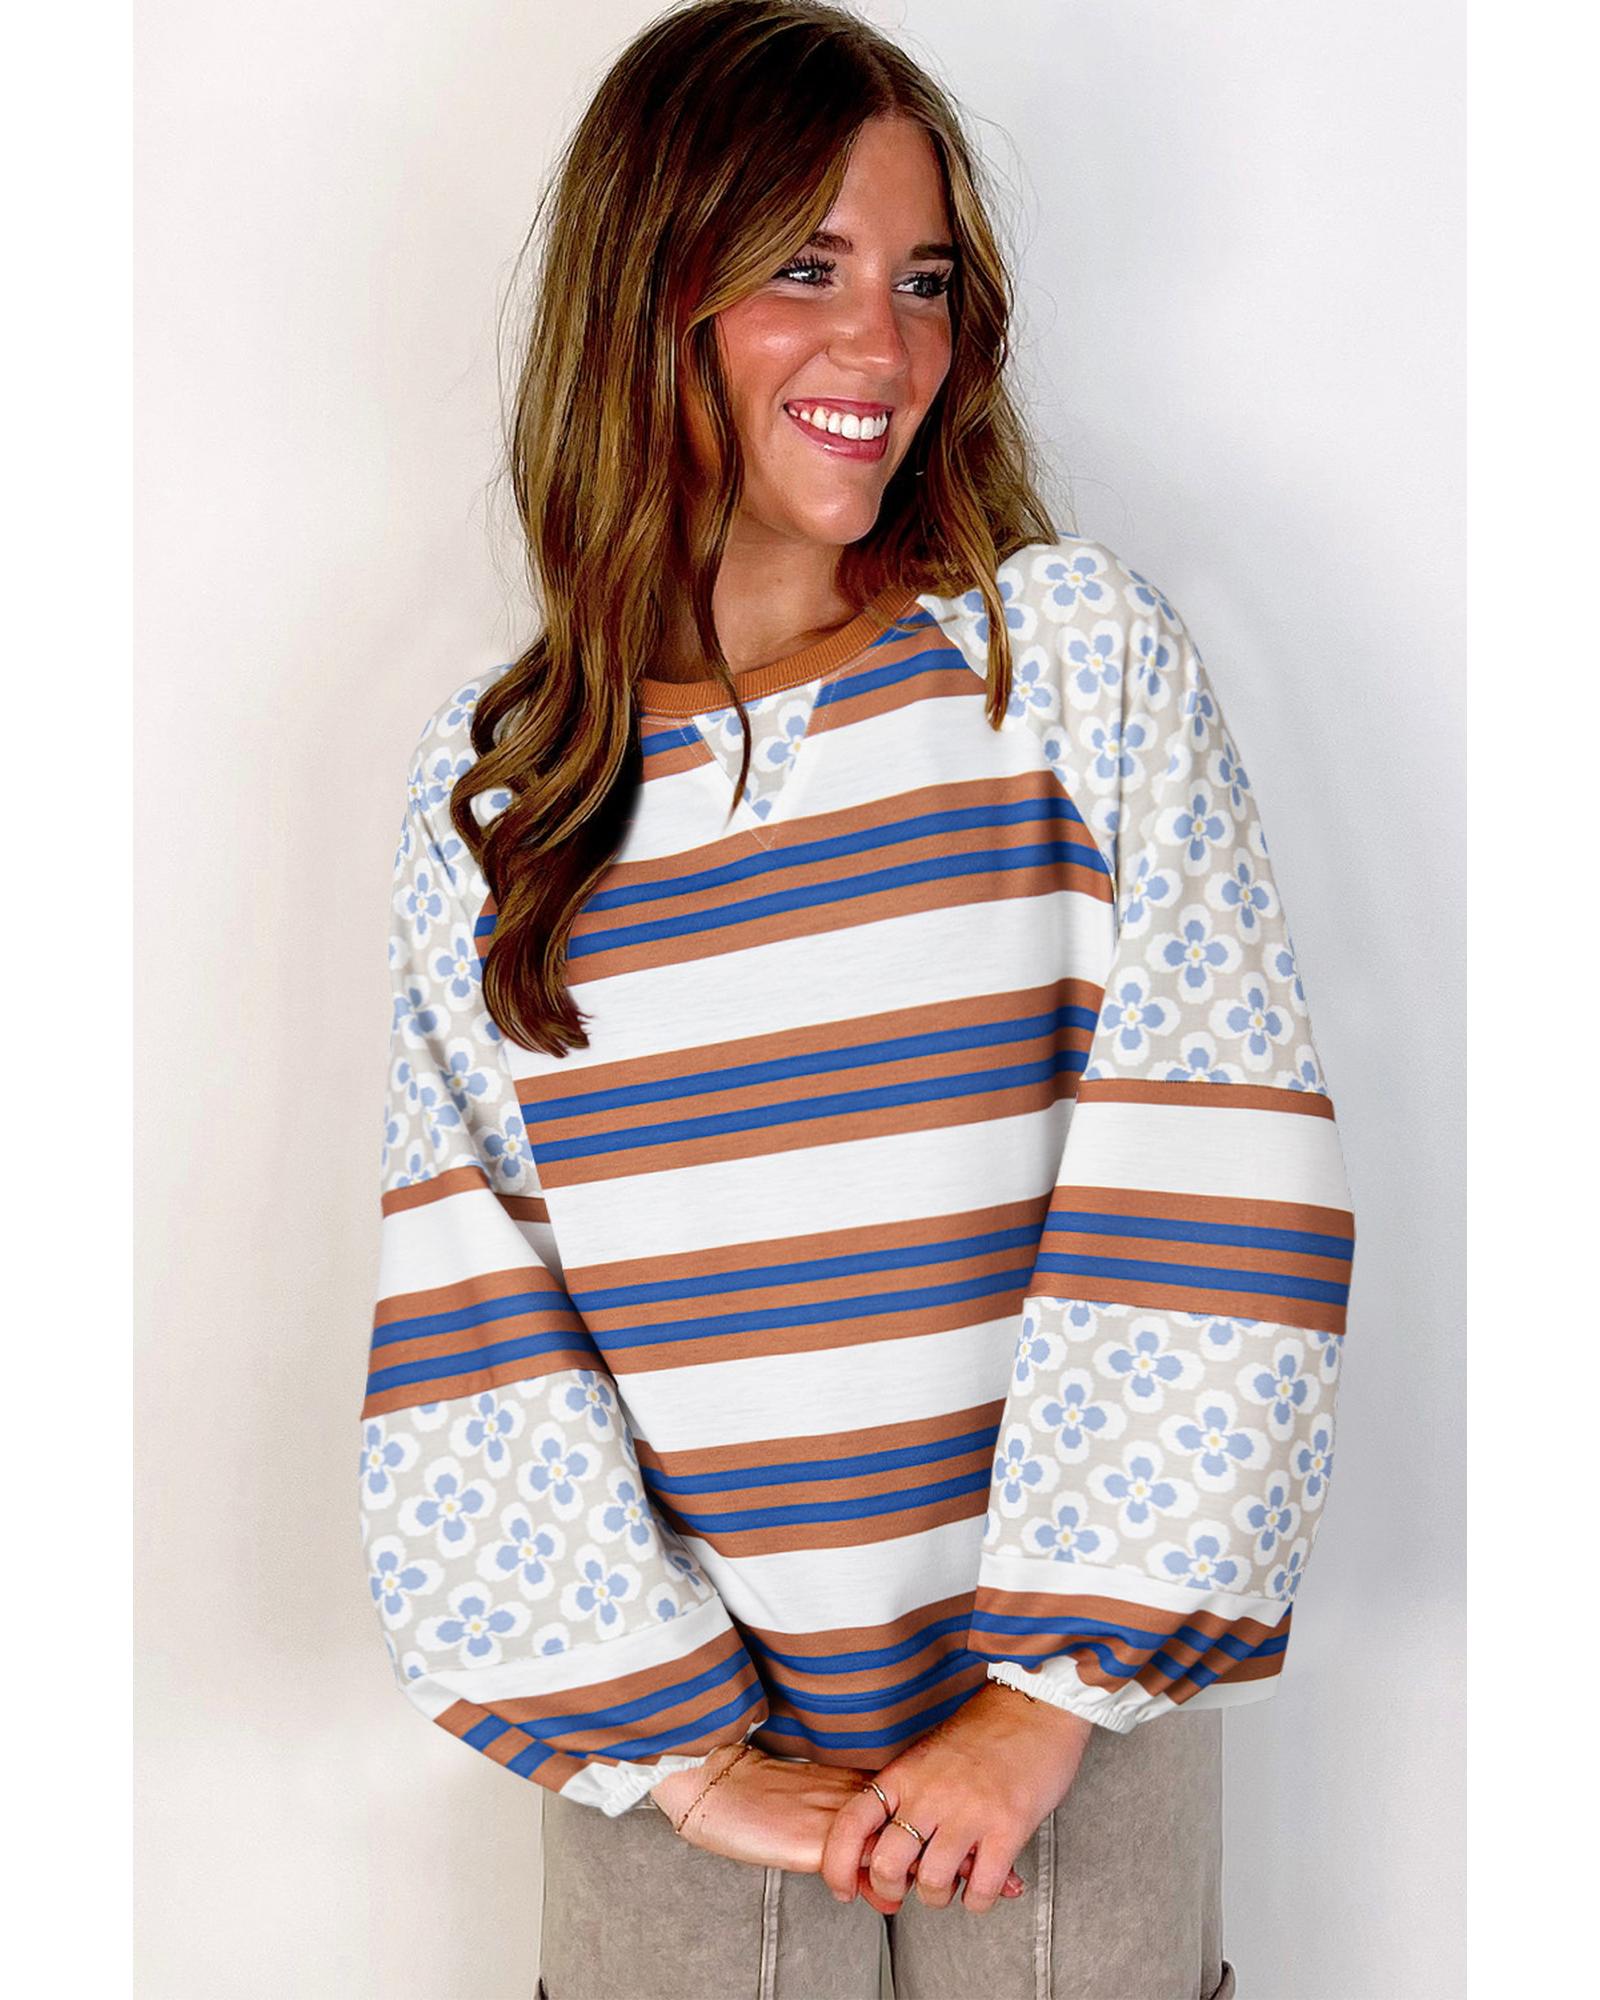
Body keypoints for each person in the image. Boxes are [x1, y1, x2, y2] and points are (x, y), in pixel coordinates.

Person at [357, 4, 1356, 1996]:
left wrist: (1045, 1699)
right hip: (674, 1733)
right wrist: (679, 1755)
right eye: (803, 270)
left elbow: (1216, 1164)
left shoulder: (1065, 671)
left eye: (922, 282)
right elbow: (473, 1296)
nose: (882, 350)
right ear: (650, 294)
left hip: (1064, 1719)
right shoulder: (509, 788)